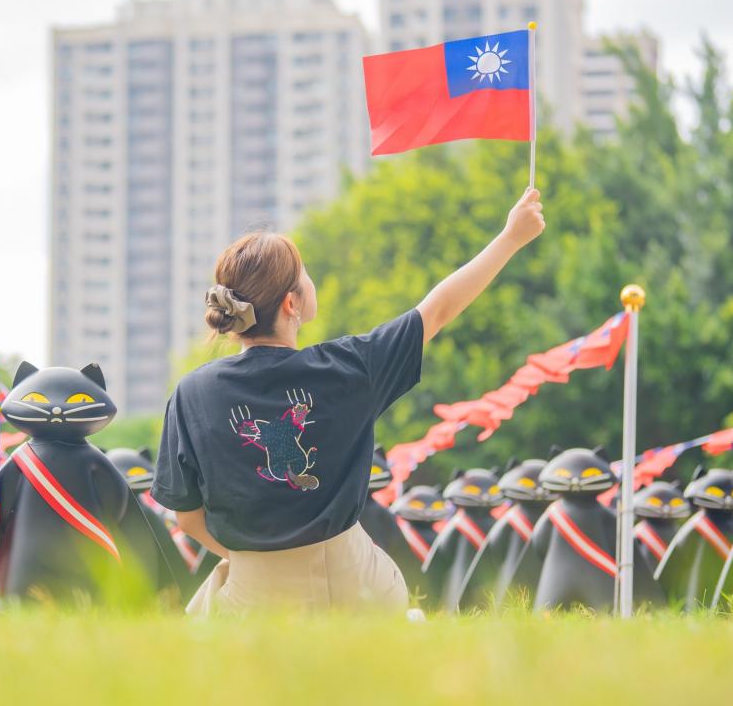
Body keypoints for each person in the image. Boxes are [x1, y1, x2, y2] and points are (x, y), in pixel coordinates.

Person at [151, 188, 545, 614]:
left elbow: (187, 518)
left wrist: (254, 558)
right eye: (305, 273)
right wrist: (511, 237)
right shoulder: (349, 367)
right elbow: (437, 310)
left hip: (251, 596)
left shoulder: (191, 393)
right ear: (291, 303)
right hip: (356, 589)